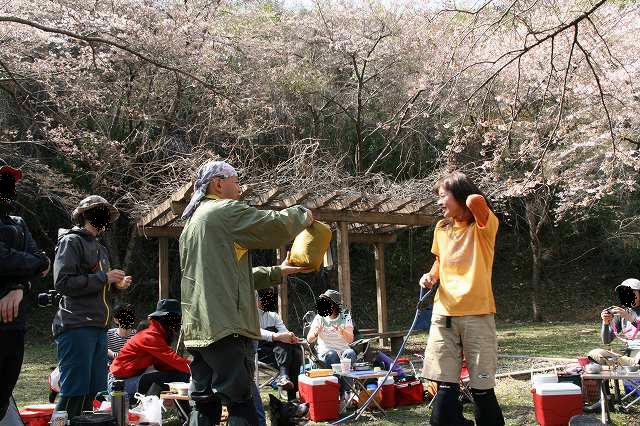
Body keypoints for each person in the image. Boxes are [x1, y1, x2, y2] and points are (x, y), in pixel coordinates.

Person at [179, 160, 313, 426]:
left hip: (197, 331)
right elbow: (274, 227)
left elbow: (227, 279)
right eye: (236, 182)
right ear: (218, 183)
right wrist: (303, 214)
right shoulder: (223, 211)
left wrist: (279, 271)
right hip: (226, 328)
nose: (240, 190)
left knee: (204, 405)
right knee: (242, 403)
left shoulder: (192, 225)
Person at [419, 171, 504, 426]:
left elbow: (476, 201)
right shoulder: (441, 228)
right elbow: (439, 261)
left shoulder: (484, 226)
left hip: (477, 312)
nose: (438, 202)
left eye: (443, 196)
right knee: (444, 385)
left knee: (482, 386)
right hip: (444, 312)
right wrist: (431, 277)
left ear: (459, 195)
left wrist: (462, 191)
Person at [52, 195, 132, 419]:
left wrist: (118, 285)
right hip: (76, 324)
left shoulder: (101, 249)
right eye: (99, 213)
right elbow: (63, 283)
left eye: (106, 214)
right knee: (73, 391)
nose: (103, 218)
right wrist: (104, 277)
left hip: (99, 327)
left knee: (93, 392)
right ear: (85, 215)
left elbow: (100, 286)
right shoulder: (71, 242)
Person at [0, 165, 50, 420]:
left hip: (14, 322)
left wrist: (19, 286)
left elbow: (42, 261)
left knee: (6, 386)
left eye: (10, 182)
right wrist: (28, 269)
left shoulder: (17, 222)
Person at [110, 299, 190, 395]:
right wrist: (197, 369)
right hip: (118, 385)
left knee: (178, 374)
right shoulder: (150, 336)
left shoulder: (157, 334)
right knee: (177, 376)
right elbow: (173, 359)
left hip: (127, 380)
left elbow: (163, 364)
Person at [584, 278, 640, 413]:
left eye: (631, 292)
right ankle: (606, 400)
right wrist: (606, 323)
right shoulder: (622, 314)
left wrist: (631, 319)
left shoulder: (627, 314)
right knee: (595, 354)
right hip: (628, 357)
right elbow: (606, 340)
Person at [306, 289, 357, 413]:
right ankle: (340, 395)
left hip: (343, 352)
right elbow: (309, 339)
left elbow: (350, 340)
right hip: (326, 353)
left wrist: (341, 330)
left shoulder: (345, 315)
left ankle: (344, 395)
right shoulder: (319, 317)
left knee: (350, 353)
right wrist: (315, 332)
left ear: (333, 305)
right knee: (332, 355)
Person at [256, 289, 304, 401]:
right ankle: (292, 398)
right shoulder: (251, 315)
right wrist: (278, 336)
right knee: (285, 345)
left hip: (279, 352)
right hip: (260, 351)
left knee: (295, 350)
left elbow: (284, 332)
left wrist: (291, 337)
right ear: (258, 299)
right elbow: (257, 332)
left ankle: (284, 377)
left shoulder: (274, 315)